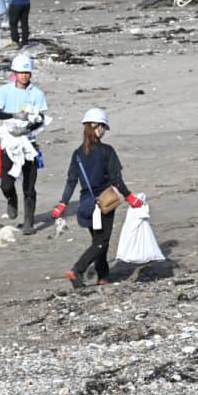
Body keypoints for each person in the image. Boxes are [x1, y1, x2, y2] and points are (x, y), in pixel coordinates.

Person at [50, 108, 144, 288]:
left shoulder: (77, 154)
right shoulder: (106, 151)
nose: (104, 131)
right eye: (104, 127)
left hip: (86, 204)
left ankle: (102, 276)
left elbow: (71, 181)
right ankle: (78, 270)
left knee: (98, 241)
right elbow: (116, 179)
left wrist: (62, 204)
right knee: (102, 241)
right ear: (98, 127)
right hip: (104, 202)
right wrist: (129, 197)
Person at [0, 54, 49, 233]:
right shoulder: (5, 90)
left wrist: (29, 128)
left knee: (29, 186)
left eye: (27, 72)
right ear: (14, 73)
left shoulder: (36, 93)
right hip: (9, 142)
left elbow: (41, 118)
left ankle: (29, 222)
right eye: (21, 72)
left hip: (28, 143)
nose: (25, 75)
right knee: (6, 183)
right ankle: (11, 199)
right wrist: (13, 116)